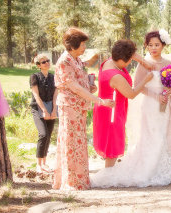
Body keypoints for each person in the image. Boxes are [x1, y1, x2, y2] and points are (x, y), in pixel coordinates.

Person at [90, 31, 171, 187]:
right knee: (117, 142)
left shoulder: (112, 61)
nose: (153, 48)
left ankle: (158, 167)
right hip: (119, 109)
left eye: (157, 44)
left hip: (155, 107)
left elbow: (170, 82)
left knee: (160, 136)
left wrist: (168, 90)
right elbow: (132, 93)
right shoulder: (114, 74)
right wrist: (147, 78)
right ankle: (111, 174)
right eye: (150, 45)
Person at [53, 27, 114, 190]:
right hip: (69, 107)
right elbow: (74, 88)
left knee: (78, 142)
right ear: (72, 45)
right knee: (71, 143)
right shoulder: (64, 61)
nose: (85, 47)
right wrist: (99, 100)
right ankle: (71, 181)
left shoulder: (77, 60)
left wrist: (90, 86)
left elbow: (80, 84)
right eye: (82, 44)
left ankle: (79, 179)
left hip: (79, 107)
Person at [92, 39, 154, 168]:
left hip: (105, 107)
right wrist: (145, 80)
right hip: (112, 112)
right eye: (129, 59)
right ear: (123, 59)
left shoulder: (109, 62)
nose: (131, 61)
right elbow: (131, 94)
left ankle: (109, 172)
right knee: (112, 145)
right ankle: (108, 174)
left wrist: (144, 62)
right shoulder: (115, 76)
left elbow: (132, 54)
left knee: (111, 142)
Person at [30, 54, 57, 173]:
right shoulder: (34, 77)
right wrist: (44, 111)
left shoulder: (53, 77)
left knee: (49, 135)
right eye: (43, 62)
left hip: (51, 106)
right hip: (38, 107)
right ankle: (38, 164)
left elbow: (56, 94)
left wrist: (54, 110)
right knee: (43, 134)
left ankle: (45, 163)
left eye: (47, 61)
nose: (46, 63)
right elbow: (36, 95)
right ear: (38, 66)